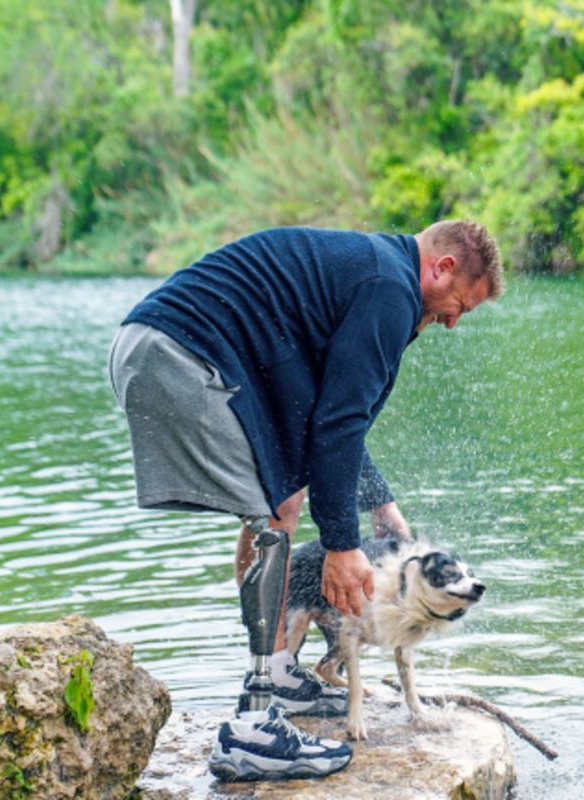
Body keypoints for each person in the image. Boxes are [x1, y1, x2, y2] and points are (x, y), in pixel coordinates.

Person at [108, 220, 504, 782]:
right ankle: (253, 726)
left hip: (161, 349)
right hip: (179, 358)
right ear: (441, 268)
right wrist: (342, 545)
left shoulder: (378, 273)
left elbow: (324, 416)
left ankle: (280, 678)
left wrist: (379, 502)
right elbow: (337, 422)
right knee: (278, 510)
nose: (453, 322)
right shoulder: (390, 289)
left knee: (284, 495)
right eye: (458, 303)